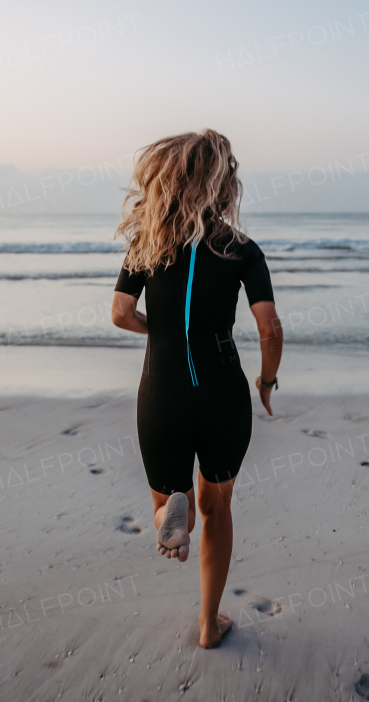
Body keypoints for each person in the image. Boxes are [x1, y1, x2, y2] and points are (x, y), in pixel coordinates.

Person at [111, 129, 283, 649]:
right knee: (218, 506)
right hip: (222, 395)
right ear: (221, 184)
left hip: (161, 395)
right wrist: (267, 380)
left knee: (171, 497)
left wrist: (161, 332)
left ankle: (169, 513)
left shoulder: (148, 242)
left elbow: (119, 314)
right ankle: (210, 625)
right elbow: (270, 328)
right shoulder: (241, 249)